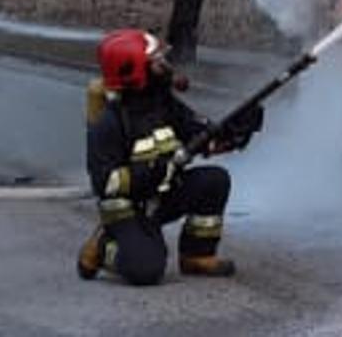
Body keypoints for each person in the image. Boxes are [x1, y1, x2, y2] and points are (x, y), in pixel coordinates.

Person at [77, 30, 262, 284]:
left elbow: (200, 136)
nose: (165, 66)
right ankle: (104, 249)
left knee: (214, 181)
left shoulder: (163, 103)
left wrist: (234, 134)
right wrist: (155, 170)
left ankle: (196, 256)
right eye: (156, 61)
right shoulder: (110, 122)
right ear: (135, 70)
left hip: (162, 195)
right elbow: (106, 183)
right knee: (146, 270)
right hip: (126, 209)